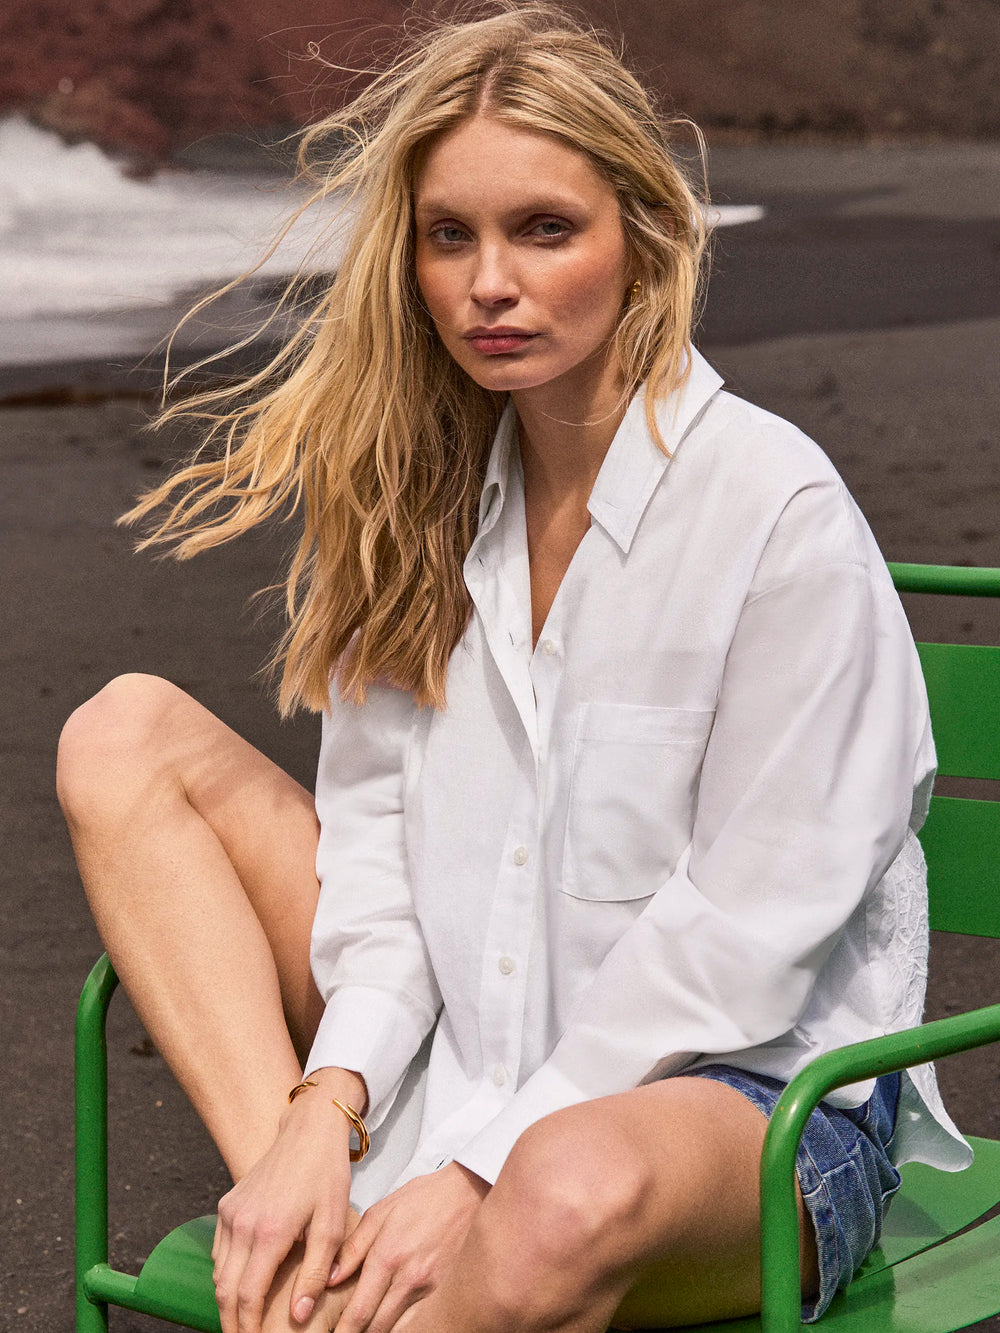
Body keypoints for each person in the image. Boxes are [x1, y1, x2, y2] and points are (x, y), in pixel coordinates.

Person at [56, 5, 971, 1332]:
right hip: (466, 1055)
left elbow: (749, 933)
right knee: (122, 734)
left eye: (545, 229)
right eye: (451, 235)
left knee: (558, 1189)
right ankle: (310, 1222)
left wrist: (486, 1165)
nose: (491, 282)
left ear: (642, 236)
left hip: (747, 1107)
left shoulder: (775, 512)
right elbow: (381, 876)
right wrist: (324, 1108)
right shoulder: (409, 507)